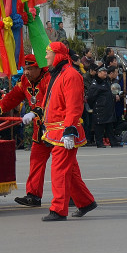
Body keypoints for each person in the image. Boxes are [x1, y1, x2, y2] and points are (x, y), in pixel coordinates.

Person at [0, 54, 52, 207]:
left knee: (65, 164)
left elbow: (52, 102)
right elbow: (13, 97)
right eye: (25, 69)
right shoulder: (24, 81)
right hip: (39, 130)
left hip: (56, 128)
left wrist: (35, 113)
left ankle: (74, 195)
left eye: (30, 69)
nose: (26, 72)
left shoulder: (49, 79)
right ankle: (33, 195)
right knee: (36, 161)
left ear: (39, 67)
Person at [40, 42, 96, 221]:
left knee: (59, 171)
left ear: (58, 55)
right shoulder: (58, 74)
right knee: (69, 171)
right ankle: (86, 202)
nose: (46, 56)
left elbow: (74, 105)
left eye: (48, 53)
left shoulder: (71, 75)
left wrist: (69, 129)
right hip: (56, 130)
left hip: (64, 131)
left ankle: (58, 209)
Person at [86, 65, 118, 147]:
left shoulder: (106, 81)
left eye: (105, 71)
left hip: (108, 108)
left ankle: (113, 142)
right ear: (98, 73)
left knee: (109, 127)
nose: (105, 73)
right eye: (103, 71)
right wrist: (96, 105)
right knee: (99, 127)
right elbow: (90, 98)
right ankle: (99, 143)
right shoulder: (95, 84)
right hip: (100, 108)